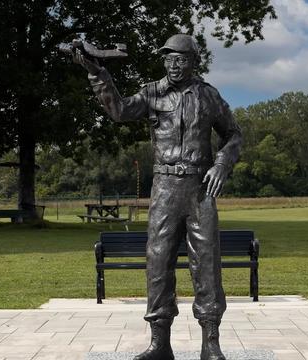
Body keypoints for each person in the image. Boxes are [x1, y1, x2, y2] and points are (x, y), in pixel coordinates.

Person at [74, 34, 242, 360]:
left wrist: (222, 164)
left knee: (206, 264)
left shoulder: (208, 96)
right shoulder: (152, 93)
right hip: (164, 188)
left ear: (194, 61)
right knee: (158, 263)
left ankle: (211, 342)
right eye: (169, 59)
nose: (174, 65)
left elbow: (233, 133)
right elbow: (120, 111)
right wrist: (98, 74)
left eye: (181, 59)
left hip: (200, 190)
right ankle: (159, 343)